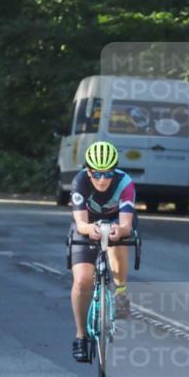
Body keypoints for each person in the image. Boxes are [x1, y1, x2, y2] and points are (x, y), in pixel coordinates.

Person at [69, 141, 136, 363]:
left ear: (114, 170)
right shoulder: (79, 181)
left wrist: (120, 230)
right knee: (82, 281)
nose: (102, 179)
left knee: (119, 241)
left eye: (107, 173)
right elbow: (80, 224)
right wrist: (91, 229)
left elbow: (126, 224)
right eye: (97, 173)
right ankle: (80, 336)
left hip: (116, 221)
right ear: (88, 171)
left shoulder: (125, 183)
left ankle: (121, 291)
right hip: (88, 225)